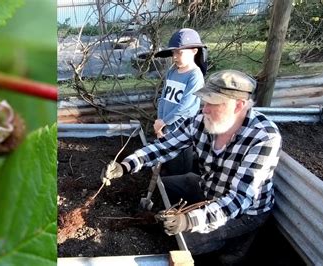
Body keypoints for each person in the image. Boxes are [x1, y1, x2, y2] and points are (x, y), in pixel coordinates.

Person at [101, 70, 282, 263]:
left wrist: (189, 221)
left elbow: (239, 199)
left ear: (239, 105)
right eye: (205, 102)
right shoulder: (201, 121)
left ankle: (228, 249)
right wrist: (126, 165)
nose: (204, 109)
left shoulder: (264, 137)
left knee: (180, 242)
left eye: (213, 103)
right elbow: (164, 146)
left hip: (244, 213)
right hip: (207, 189)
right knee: (162, 189)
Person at [153, 28, 207, 175]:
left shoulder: (195, 76)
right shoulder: (172, 71)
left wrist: (164, 122)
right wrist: (160, 122)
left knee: (181, 168)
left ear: (194, 51)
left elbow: (186, 106)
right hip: (164, 130)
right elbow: (163, 98)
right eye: (173, 53)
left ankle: (181, 195)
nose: (175, 57)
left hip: (182, 132)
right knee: (168, 163)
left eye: (179, 52)